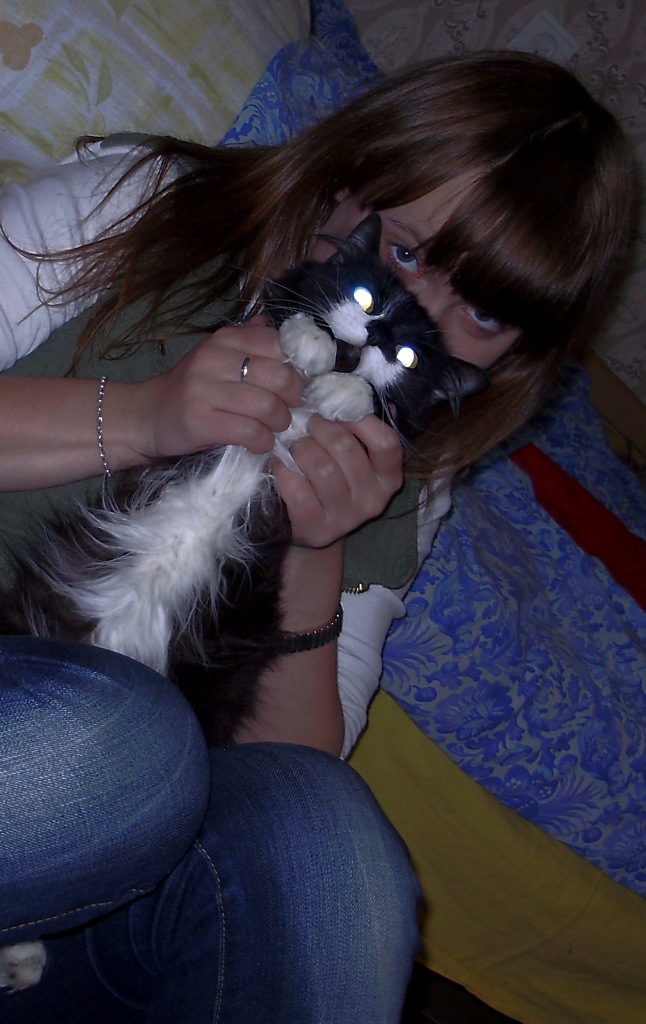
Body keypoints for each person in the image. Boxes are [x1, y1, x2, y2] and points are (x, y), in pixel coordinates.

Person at [0, 49, 634, 1021]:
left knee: (335, 848)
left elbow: (281, 775)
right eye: (409, 253)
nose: (414, 318)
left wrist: (310, 554)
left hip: (86, 894)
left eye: (483, 311)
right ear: (347, 182)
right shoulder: (144, 207)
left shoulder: (409, 481)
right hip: (43, 761)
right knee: (124, 737)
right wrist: (140, 418)